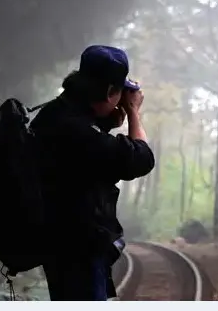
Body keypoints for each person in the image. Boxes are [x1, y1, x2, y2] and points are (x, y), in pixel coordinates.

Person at [30, 44, 155, 301]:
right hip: (79, 249)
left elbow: (82, 150)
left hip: (57, 243)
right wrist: (133, 112)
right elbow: (142, 158)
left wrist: (106, 120)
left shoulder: (51, 115)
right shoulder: (81, 135)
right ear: (111, 92)